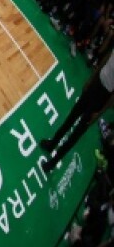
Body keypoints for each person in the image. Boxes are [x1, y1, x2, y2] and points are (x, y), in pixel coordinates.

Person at [39, 38, 114, 173]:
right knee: (72, 116)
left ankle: (53, 162)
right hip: (96, 83)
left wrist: (99, 114)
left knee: (76, 133)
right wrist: (91, 79)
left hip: (103, 96)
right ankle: (52, 143)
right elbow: (105, 61)